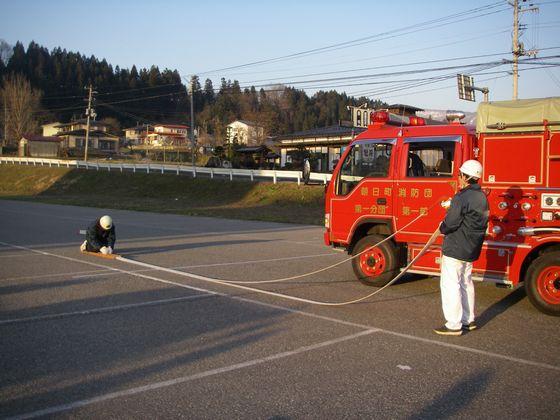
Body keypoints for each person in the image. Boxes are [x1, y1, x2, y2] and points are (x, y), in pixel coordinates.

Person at [431, 160, 489, 336]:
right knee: (466, 282)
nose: (458, 178)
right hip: (472, 247)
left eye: (459, 175)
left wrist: (443, 225)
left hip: (456, 246)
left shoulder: (461, 197)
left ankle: (453, 324)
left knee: (450, 284)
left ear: (465, 176)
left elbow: (451, 223)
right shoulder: (482, 197)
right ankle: (468, 320)